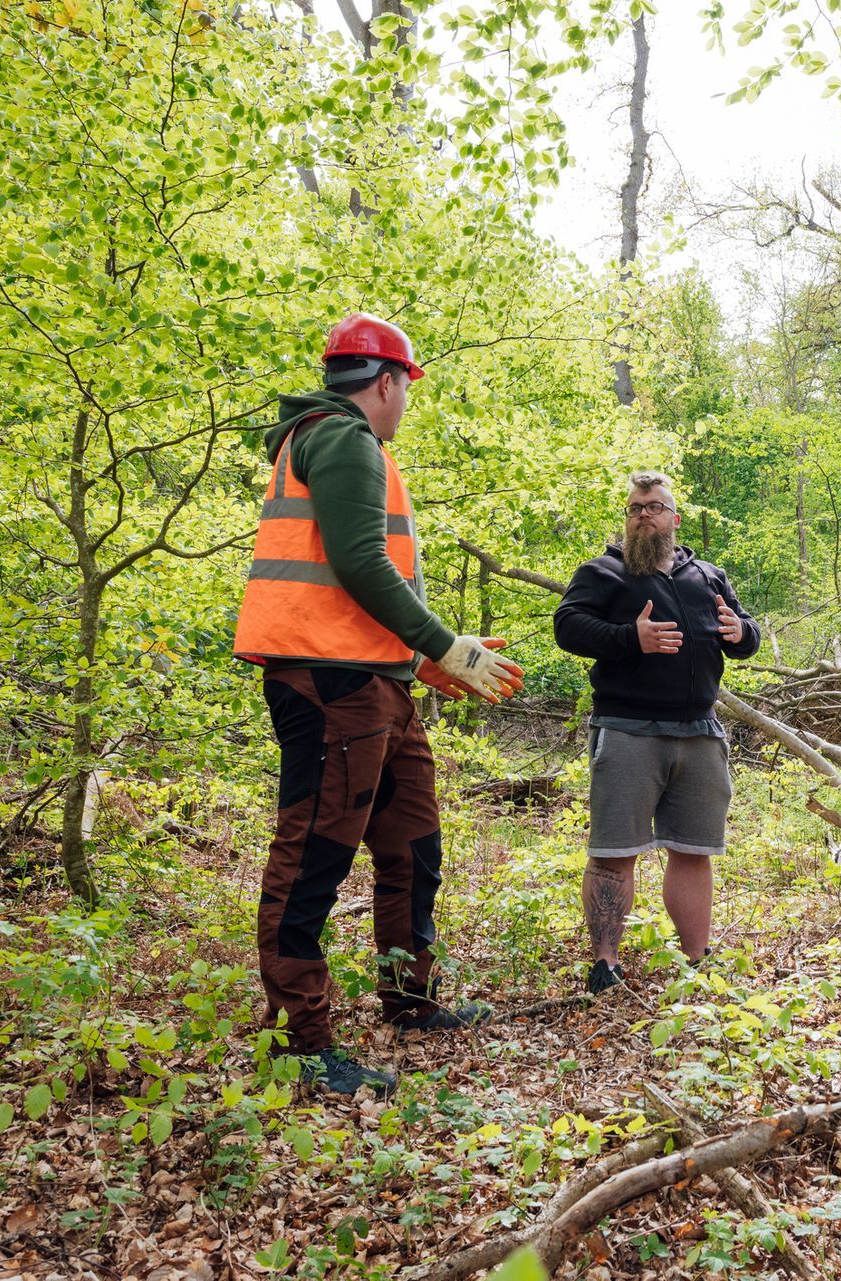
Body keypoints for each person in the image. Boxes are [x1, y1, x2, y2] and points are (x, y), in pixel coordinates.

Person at [231, 313, 525, 1097]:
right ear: (387, 382)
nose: (405, 405)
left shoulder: (344, 443)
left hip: (375, 685)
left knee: (412, 844)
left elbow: (360, 574)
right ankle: (304, 1042)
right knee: (313, 857)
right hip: (331, 689)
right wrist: (448, 645)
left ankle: (410, 998)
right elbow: (360, 564)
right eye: (407, 390)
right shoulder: (342, 439)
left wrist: (422, 662)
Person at [553, 471, 760, 994]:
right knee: (614, 851)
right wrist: (631, 637)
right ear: (627, 519)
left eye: (654, 506)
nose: (644, 514)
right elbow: (568, 626)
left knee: (693, 849)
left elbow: (745, 632)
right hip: (627, 731)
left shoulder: (708, 576)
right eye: (635, 507)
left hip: (699, 733)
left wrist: (741, 633)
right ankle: (606, 965)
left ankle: (696, 960)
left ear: (674, 518)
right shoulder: (604, 571)